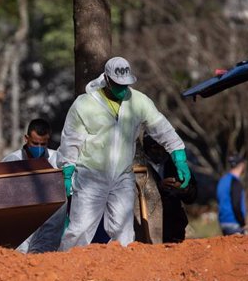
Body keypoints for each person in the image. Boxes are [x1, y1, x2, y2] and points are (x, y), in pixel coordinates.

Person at [57, 56, 191, 250]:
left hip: (122, 175)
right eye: (118, 84)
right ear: (107, 80)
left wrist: (179, 156)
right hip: (90, 176)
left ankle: (121, 273)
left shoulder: (139, 102)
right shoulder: (84, 104)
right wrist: (67, 169)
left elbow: (162, 129)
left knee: (124, 231)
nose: (123, 88)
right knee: (80, 229)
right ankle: (67, 267)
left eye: (125, 84)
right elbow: (71, 139)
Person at [3, 118, 65, 253]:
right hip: (22, 218)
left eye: (43, 144)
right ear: (26, 138)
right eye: (35, 143)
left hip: (48, 217)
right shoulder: (13, 160)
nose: (39, 148)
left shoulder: (56, 159)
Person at [142, 135, 197, 242]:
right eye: (155, 147)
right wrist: (158, 187)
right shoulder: (139, 167)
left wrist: (182, 189)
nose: (159, 151)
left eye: (162, 147)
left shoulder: (175, 165)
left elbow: (192, 195)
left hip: (174, 228)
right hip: (147, 229)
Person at [217, 154, 247, 235]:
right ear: (241, 165)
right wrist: (242, 223)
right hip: (234, 223)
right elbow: (236, 204)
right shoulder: (235, 182)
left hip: (223, 223)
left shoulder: (222, 181)